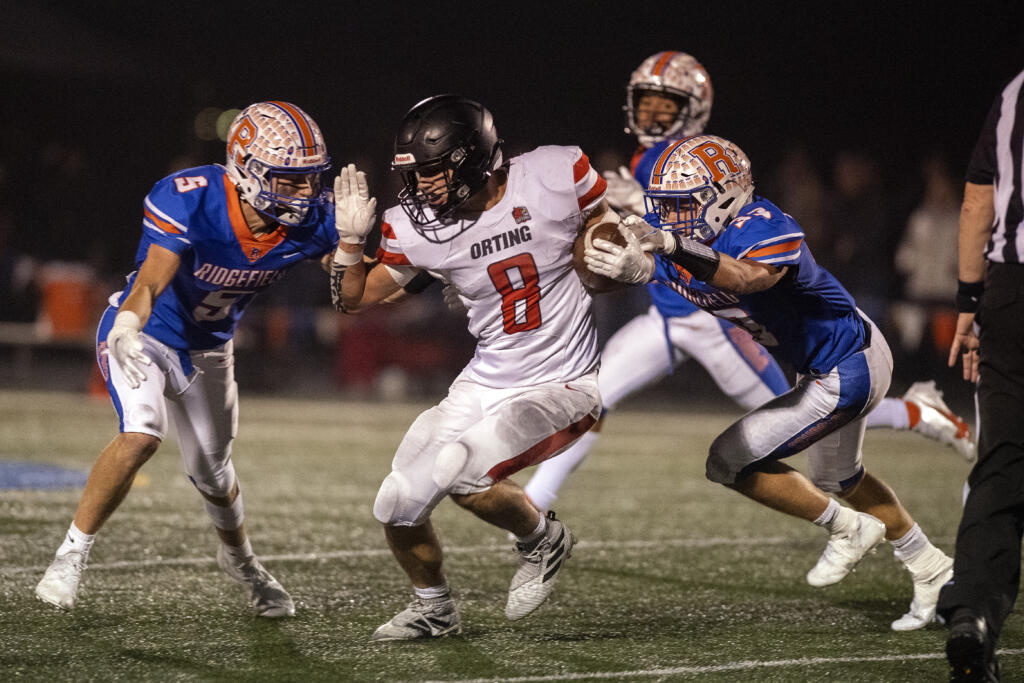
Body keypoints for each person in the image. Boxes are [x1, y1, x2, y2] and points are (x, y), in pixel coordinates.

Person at [523, 51, 974, 514]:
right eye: (646, 103)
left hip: (715, 315)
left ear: (694, 107)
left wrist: (640, 206)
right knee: (592, 397)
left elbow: (722, 230)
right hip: (666, 309)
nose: (653, 114)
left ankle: (917, 414)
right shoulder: (645, 157)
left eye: (666, 105)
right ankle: (537, 501)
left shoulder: (702, 159)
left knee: (800, 412)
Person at [583, 134, 954, 631]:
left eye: (684, 205)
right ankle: (931, 566)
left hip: (847, 365)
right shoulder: (689, 231)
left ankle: (846, 529)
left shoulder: (764, 226)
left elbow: (744, 279)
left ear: (726, 196)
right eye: (668, 208)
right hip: (828, 360)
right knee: (837, 478)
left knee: (727, 460)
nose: (673, 217)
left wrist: (667, 247)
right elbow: (655, 245)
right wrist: (640, 261)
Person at [34, 101, 340, 617]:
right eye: (290, 180)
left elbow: (355, 293)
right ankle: (70, 554)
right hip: (147, 333)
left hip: (211, 347)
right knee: (143, 433)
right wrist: (129, 326)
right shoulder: (191, 198)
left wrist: (356, 249)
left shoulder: (315, 219)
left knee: (214, 472)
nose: (304, 193)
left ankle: (243, 563)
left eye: (309, 180)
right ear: (247, 169)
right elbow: (153, 276)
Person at [331, 94, 609, 641]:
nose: (421, 187)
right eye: (414, 174)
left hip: (562, 381)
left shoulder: (555, 174)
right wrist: (347, 243)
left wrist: (623, 252)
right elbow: (353, 299)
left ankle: (542, 538)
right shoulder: (414, 228)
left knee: (463, 472)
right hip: (486, 379)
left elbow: (605, 236)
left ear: (472, 156)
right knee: (397, 503)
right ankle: (434, 608)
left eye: (433, 171)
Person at [937, 69, 1024, 683]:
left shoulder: (1016, 90)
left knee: (1003, 459)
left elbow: (977, 201)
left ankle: (971, 611)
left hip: (1013, 290)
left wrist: (969, 302)